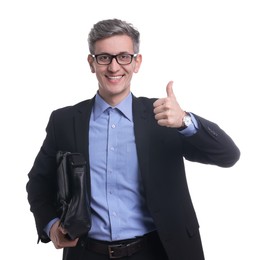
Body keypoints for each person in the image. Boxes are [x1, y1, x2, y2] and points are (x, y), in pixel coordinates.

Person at [26, 18, 240, 260]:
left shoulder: (164, 116)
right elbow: (38, 182)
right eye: (104, 57)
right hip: (87, 253)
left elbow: (228, 155)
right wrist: (51, 226)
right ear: (91, 63)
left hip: (159, 251)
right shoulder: (64, 121)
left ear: (137, 62)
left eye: (124, 57)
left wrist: (185, 121)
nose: (114, 67)